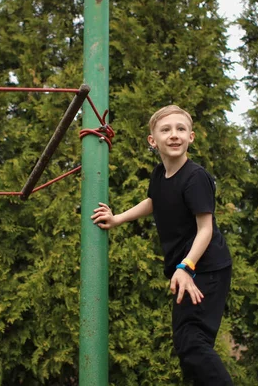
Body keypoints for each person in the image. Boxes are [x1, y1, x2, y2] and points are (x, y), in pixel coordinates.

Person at [90, 105, 234, 385]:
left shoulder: (196, 178)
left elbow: (206, 229)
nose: (174, 135)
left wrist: (185, 266)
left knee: (193, 342)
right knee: (186, 345)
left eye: (181, 129)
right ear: (152, 140)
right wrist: (117, 218)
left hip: (207, 269)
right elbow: (154, 201)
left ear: (191, 137)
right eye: (166, 130)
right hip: (188, 270)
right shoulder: (159, 175)